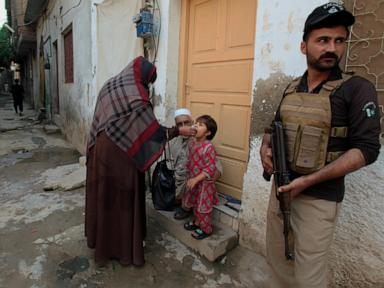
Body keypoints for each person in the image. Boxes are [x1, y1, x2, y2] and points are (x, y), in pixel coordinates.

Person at [259, 3, 381, 288]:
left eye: (339, 40)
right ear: (304, 46)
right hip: (280, 191)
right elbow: (271, 130)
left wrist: (308, 181)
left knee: (309, 276)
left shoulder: (357, 88)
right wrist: (265, 150)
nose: (332, 48)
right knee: (277, 265)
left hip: (320, 199)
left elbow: (367, 149)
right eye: (323, 40)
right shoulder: (290, 88)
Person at [85, 56, 197, 267]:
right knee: (125, 199)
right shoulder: (138, 94)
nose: (147, 86)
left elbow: (100, 120)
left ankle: (103, 247)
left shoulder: (110, 85)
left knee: (106, 196)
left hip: (101, 148)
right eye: (149, 82)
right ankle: (126, 251)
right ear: (143, 77)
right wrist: (177, 131)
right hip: (123, 152)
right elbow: (151, 133)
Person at [169, 108, 222, 220]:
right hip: (176, 181)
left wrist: (214, 175)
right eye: (180, 124)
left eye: (186, 123)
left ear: (192, 123)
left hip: (192, 183)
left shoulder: (201, 141)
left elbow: (215, 165)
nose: (183, 126)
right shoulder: (172, 141)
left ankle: (187, 210)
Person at [182, 115, 219, 240]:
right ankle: (197, 222)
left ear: (208, 133)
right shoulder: (191, 142)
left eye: (201, 125)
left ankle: (206, 229)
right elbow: (189, 160)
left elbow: (210, 168)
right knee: (195, 203)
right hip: (193, 180)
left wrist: (196, 179)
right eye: (196, 123)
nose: (196, 125)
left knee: (203, 207)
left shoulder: (209, 147)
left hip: (204, 183)